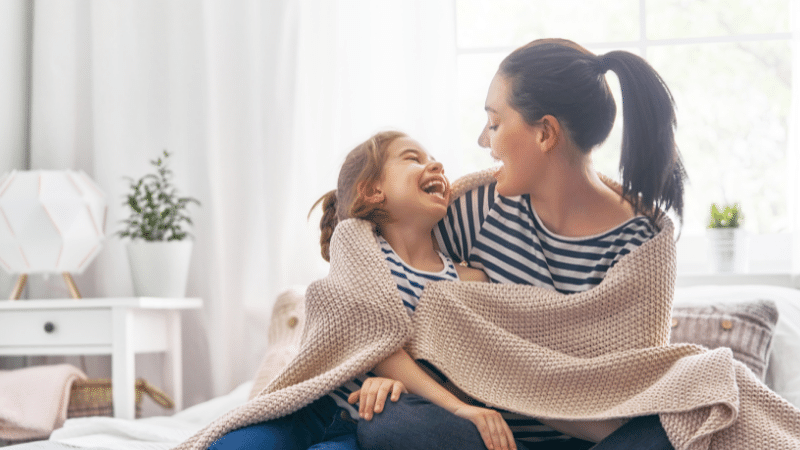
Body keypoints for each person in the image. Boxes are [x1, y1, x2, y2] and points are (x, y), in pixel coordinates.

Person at [356, 38, 686, 450]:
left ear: (545, 133)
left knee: (680, 425)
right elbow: (382, 278)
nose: (483, 140)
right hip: (487, 438)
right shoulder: (478, 209)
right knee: (390, 423)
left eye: (494, 123)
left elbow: (632, 387)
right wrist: (391, 370)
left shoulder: (642, 243)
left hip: (597, 441)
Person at [207, 130, 519, 450]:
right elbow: (371, 335)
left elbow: (470, 371)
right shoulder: (356, 243)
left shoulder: (470, 281)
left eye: (434, 159)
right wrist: (457, 407)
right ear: (372, 191)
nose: (436, 165)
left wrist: (405, 391)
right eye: (413, 158)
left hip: (365, 428)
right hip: (313, 410)